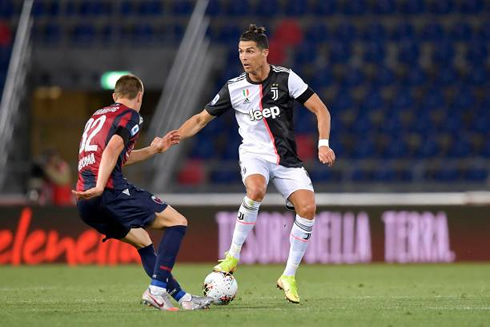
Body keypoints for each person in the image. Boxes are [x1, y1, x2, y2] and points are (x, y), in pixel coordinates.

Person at [176, 24, 335, 304]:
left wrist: (323, 144)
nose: (244, 57)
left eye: (250, 51)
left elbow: (320, 108)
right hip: (254, 154)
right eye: (240, 52)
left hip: (286, 160)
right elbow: (201, 119)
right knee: (256, 190)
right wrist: (173, 136)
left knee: (308, 209)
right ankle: (232, 256)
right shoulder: (234, 88)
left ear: (264, 53)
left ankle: (288, 276)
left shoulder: (286, 79)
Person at [73, 74, 212, 311]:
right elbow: (112, 150)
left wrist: (153, 149)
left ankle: (182, 298)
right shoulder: (131, 115)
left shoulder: (97, 116)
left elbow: (117, 157)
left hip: (86, 202)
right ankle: (156, 291)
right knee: (177, 222)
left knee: (144, 242)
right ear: (140, 96)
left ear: (114, 96)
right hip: (108, 191)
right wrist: (100, 185)